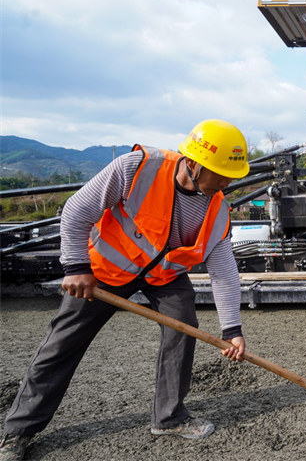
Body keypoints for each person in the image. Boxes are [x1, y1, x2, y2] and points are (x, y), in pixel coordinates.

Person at [0, 119, 250, 461]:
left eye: (231, 175)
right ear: (193, 163)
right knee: (62, 343)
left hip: (163, 277)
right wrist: (76, 267)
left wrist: (232, 329)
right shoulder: (137, 168)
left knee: (184, 326)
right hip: (103, 271)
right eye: (220, 173)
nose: (227, 182)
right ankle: (18, 431)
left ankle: (169, 417)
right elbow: (76, 210)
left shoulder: (218, 208)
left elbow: (223, 271)